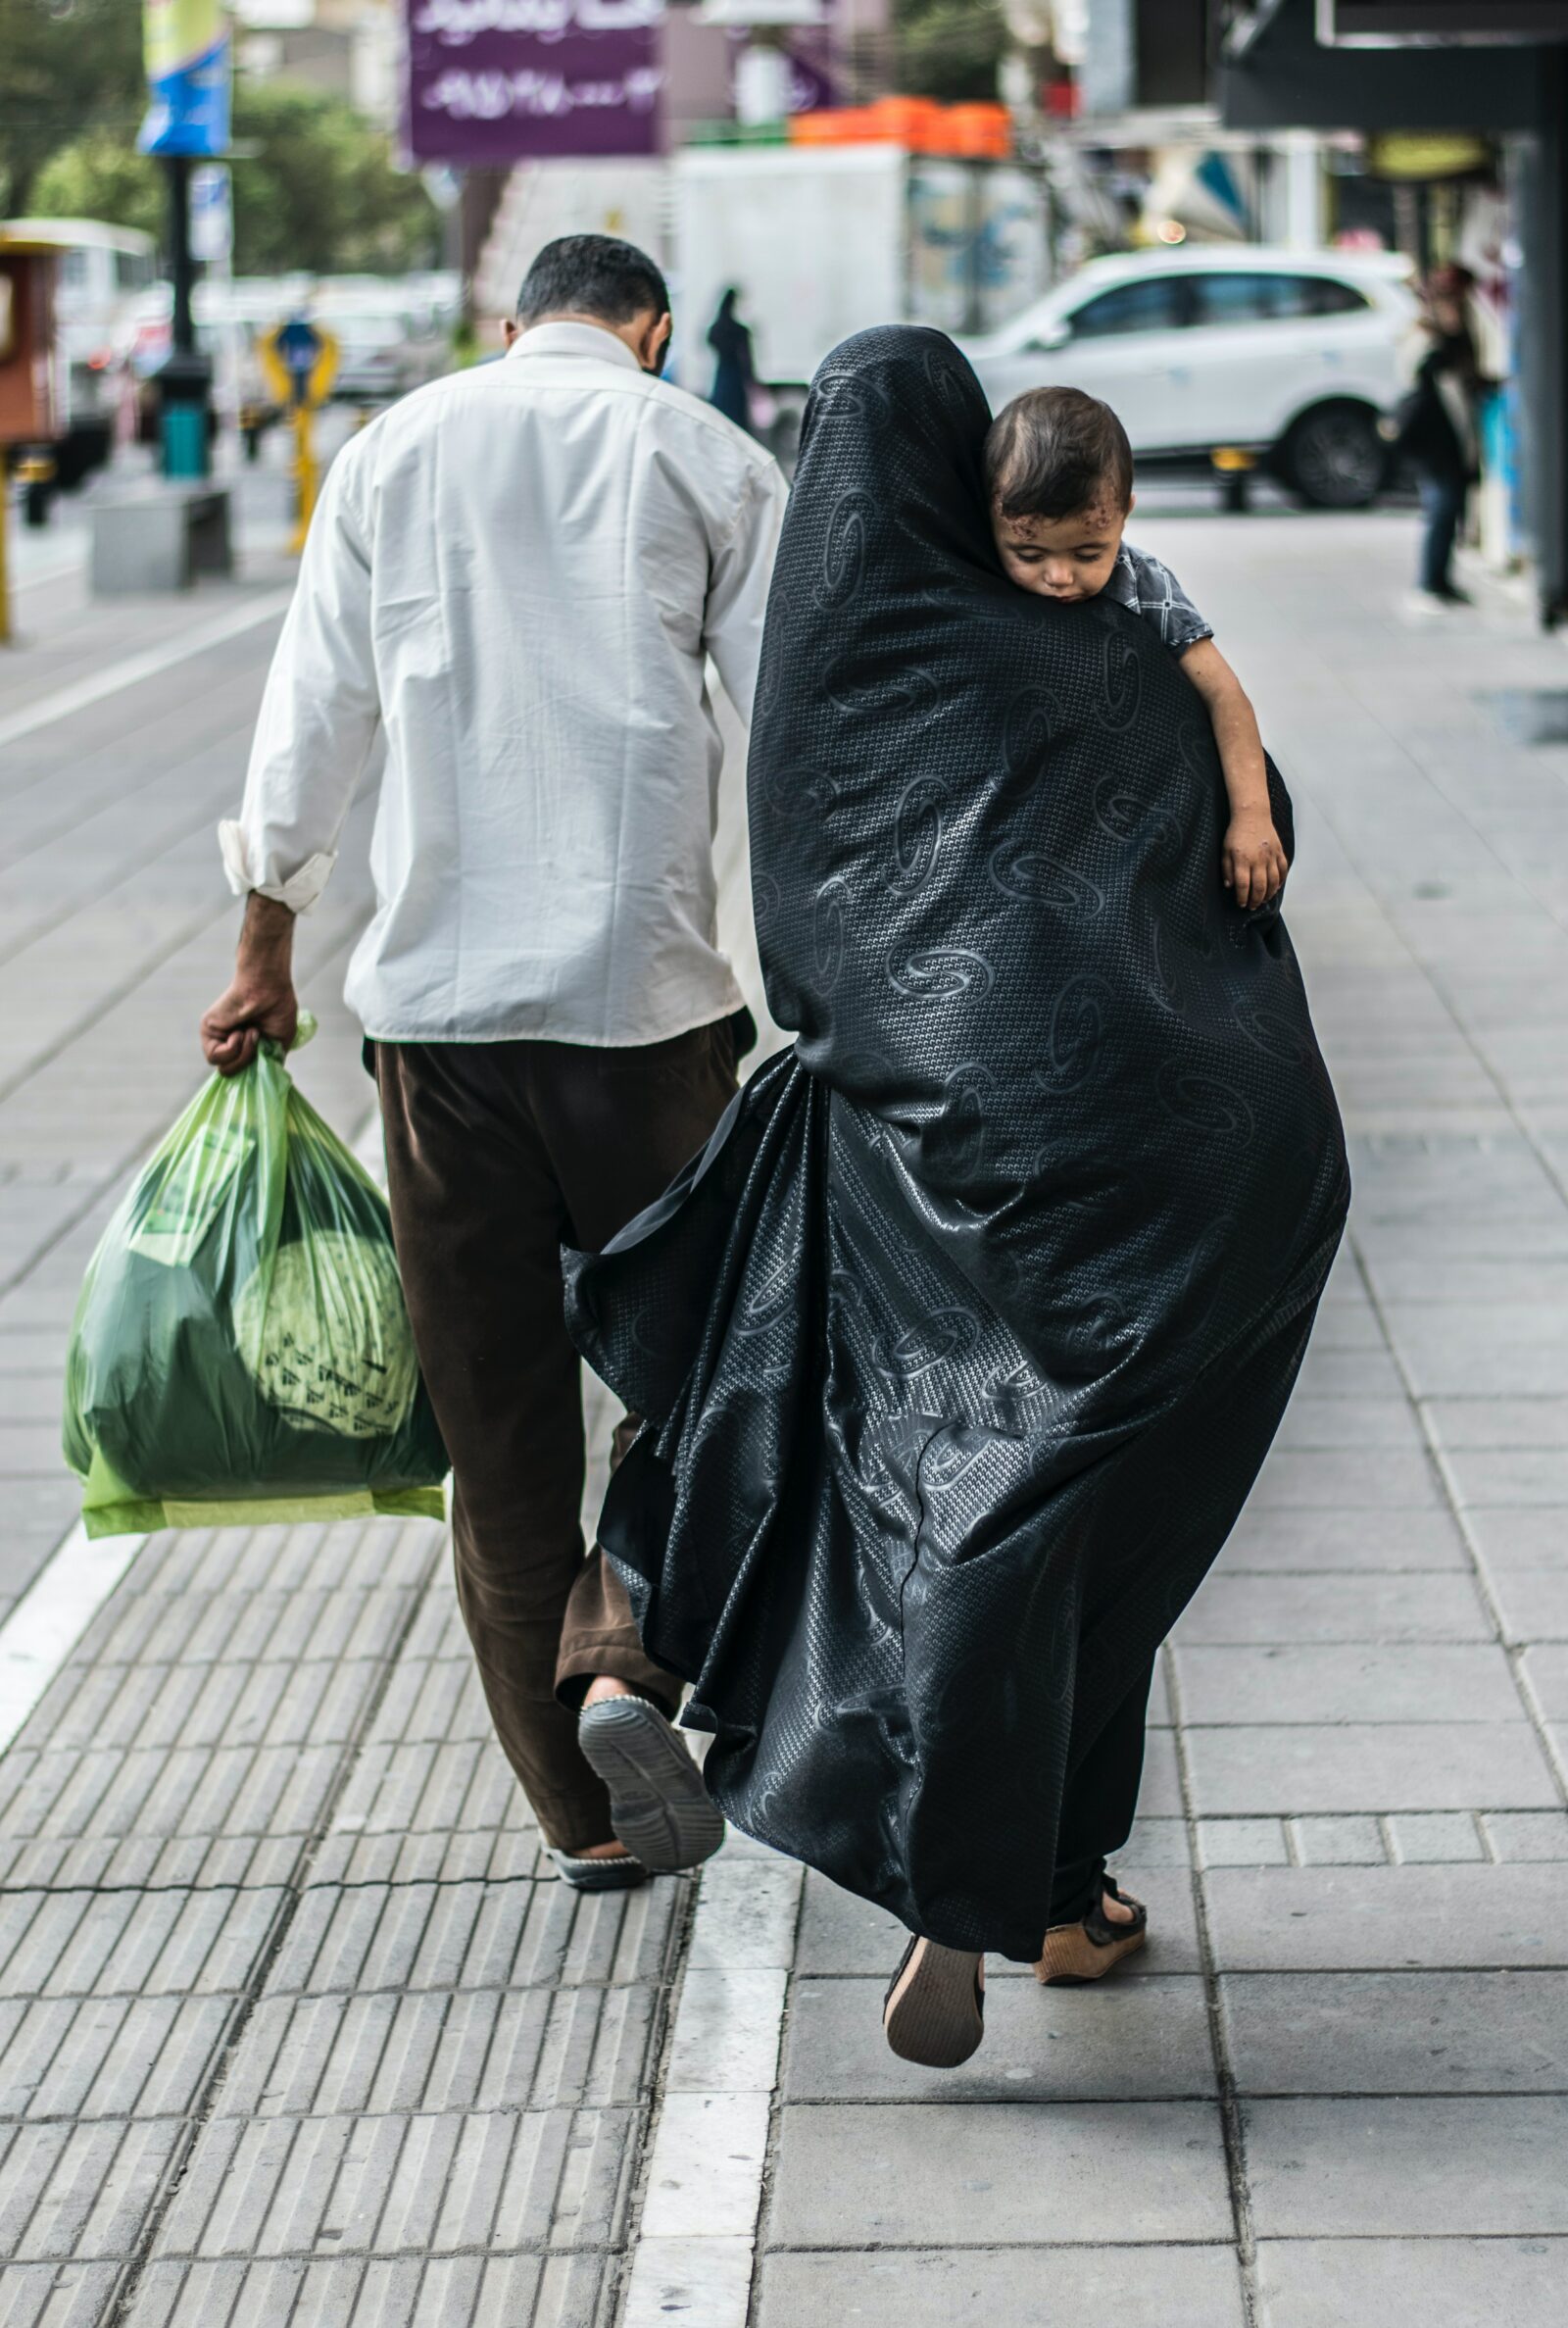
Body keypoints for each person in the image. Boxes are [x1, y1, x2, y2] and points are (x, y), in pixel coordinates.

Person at [564, 325, 1348, 2069]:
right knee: (1080, 1522)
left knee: (806, 1391)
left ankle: (640, 1650)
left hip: (939, 1150)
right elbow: (1253, 826)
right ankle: (1048, 1887)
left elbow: (821, 940)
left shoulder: (837, 658)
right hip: (1200, 1173)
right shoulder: (1110, 646)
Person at [199, 233, 789, 1893]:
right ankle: (626, 1660)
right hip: (648, 1020)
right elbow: (798, 726)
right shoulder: (706, 454)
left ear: (509, 323)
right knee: (701, 1376)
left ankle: (582, 1819)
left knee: (498, 1422)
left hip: (438, 1038)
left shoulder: (392, 451)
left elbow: (311, 713)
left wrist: (261, 957)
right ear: (652, 331)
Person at [986, 386, 1288, 912]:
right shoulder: (977, 578)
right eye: (1029, 552)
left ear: (1124, 513)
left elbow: (1224, 695)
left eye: (1087, 552)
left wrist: (1252, 816)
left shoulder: (1144, 586)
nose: (1059, 577)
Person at [1395, 263, 1490, 610]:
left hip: (1447, 435)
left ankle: (1439, 578)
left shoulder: (1451, 333)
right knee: (1442, 504)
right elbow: (1422, 374)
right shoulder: (1428, 337)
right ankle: (1431, 580)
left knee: (1448, 506)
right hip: (1434, 436)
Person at [708, 287, 757, 434]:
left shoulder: (717, 328)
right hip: (736, 377)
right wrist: (751, 379)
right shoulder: (740, 330)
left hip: (722, 375)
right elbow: (747, 358)